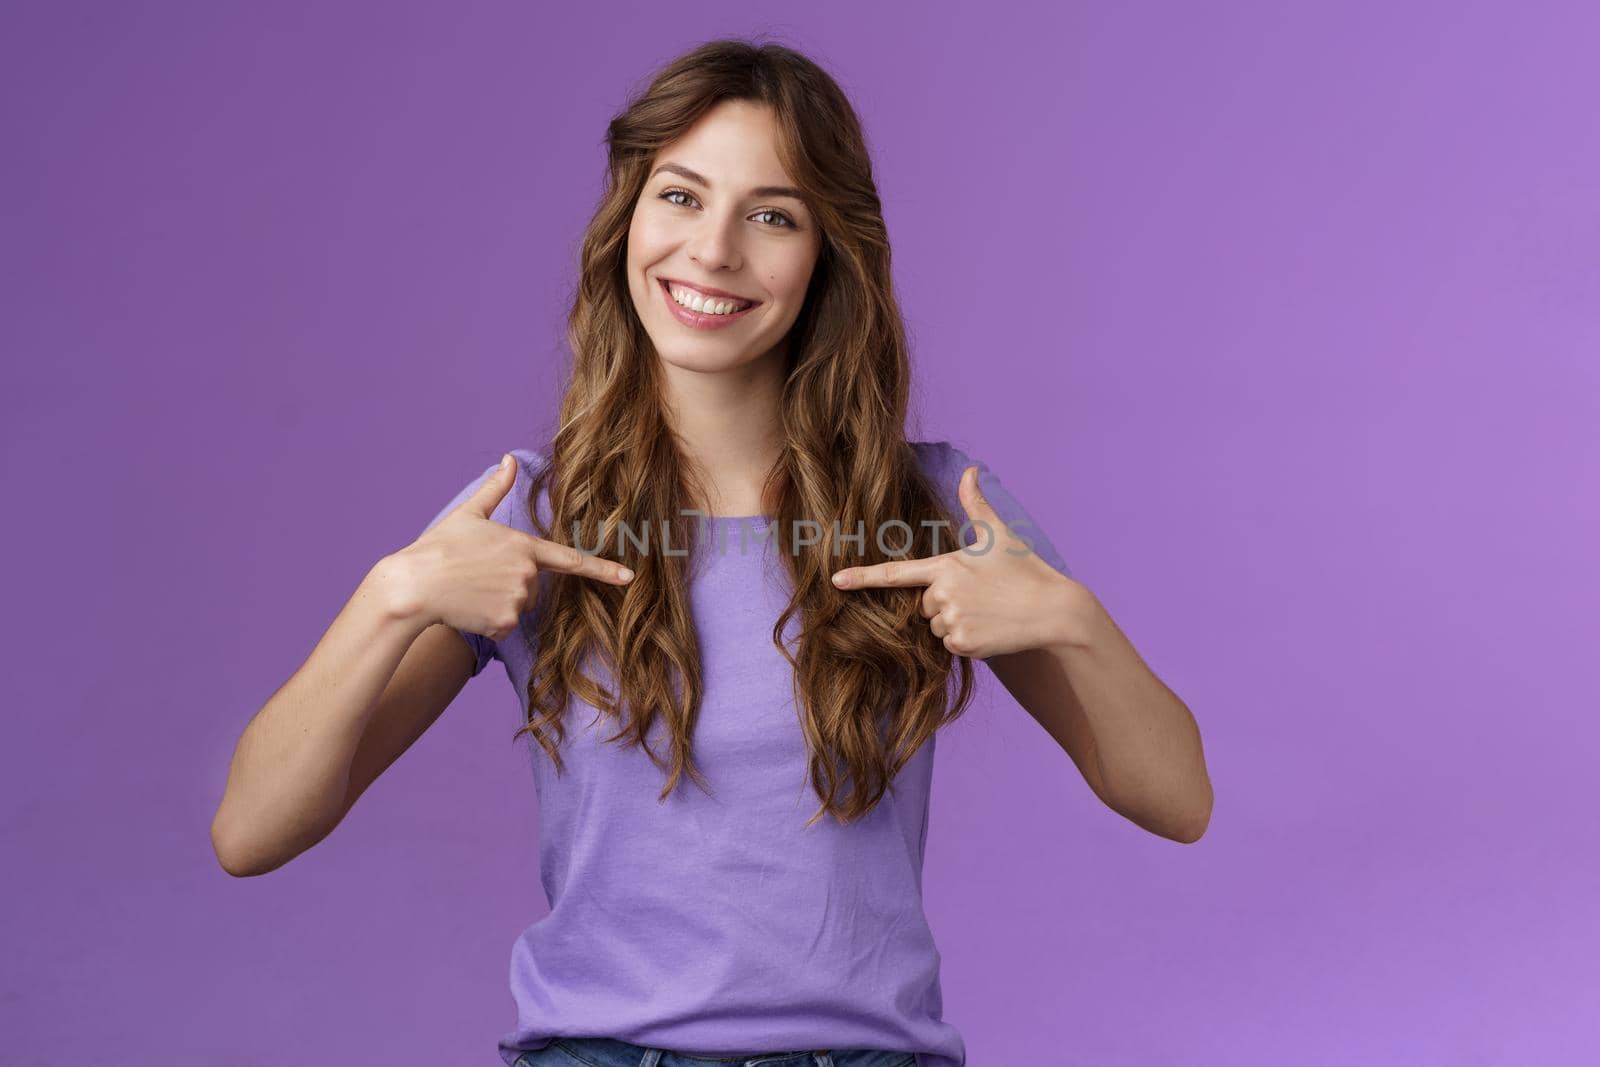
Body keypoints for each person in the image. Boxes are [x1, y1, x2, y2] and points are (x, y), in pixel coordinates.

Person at [211, 38, 1212, 1067]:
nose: (714, 251)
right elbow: (252, 831)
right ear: (628, 220)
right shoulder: (530, 512)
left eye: (771, 215)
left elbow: (1177, 799)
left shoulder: (933, 506)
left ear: (827, 252)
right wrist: (390, 594)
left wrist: (1072, 621)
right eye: (680, 197)